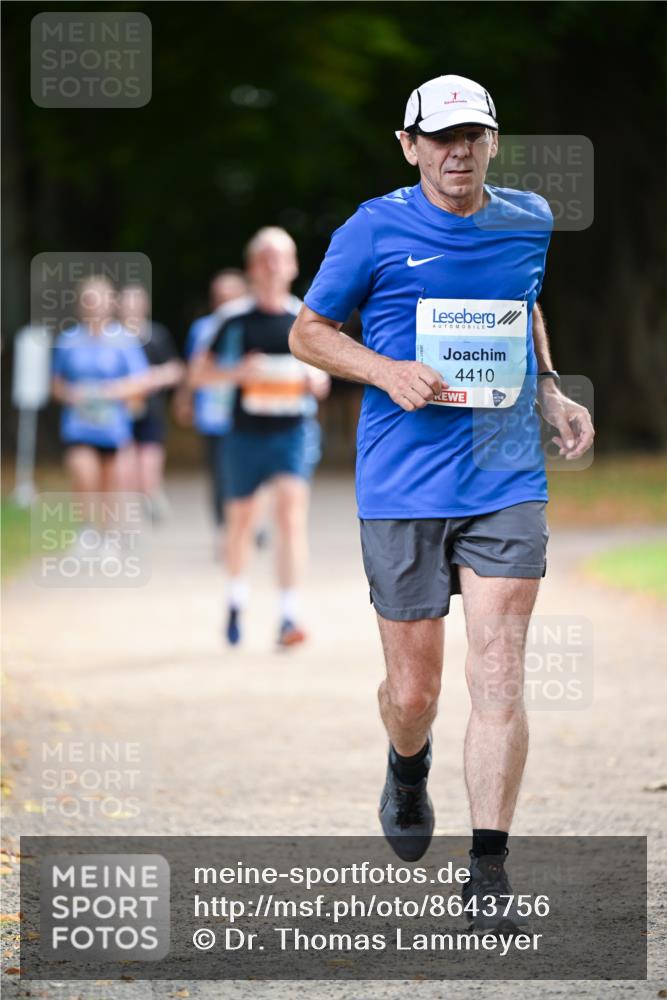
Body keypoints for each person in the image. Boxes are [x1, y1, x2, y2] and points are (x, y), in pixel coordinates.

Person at [289, 75, 594, 929]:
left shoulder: (527, 218)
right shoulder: (373, 227)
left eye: (472, 137)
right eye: (440, 138)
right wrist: (385, 371)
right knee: (414, 692)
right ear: (409, 144)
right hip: (402, 484)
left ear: (493, 142)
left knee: (498, 672)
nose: (456, 152)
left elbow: (521, 307)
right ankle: (405, 759)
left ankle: (487, 870)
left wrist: (550, 392)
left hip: (503, 477)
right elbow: (307, 331)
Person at [190, 228, 330, 648]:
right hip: (244, 434)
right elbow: (197, 373)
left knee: (289, 515)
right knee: (242, 522)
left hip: (291, 432)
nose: (272, 265)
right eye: (264, 258)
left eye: (280, 257)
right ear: (252, 267)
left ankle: (289, 617)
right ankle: (235, 601)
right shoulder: (231, 318)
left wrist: (312, 379)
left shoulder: (305, 317)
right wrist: (237, 373)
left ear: (292, 266)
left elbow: (323, 378)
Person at [179, 270, 249, 530]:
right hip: (212, 413)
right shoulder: (202, 328)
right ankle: (224, 524)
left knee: (250, 469)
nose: (225, 302)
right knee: (220, 473)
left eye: (231, 296)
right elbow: (192, 367)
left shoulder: (250, 323)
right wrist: (184, 399)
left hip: (248, 410)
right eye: (220, 297)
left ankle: (250, 521)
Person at [117, 284, 184, 518]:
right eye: (127, 304)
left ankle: (151, 494)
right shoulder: (112, 338)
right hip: (120, 412)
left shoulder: (157, 335)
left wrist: (156, 377)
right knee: (124, 468)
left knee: (148, 467)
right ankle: (125, 516)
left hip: (151, 411)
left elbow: (176, 369)